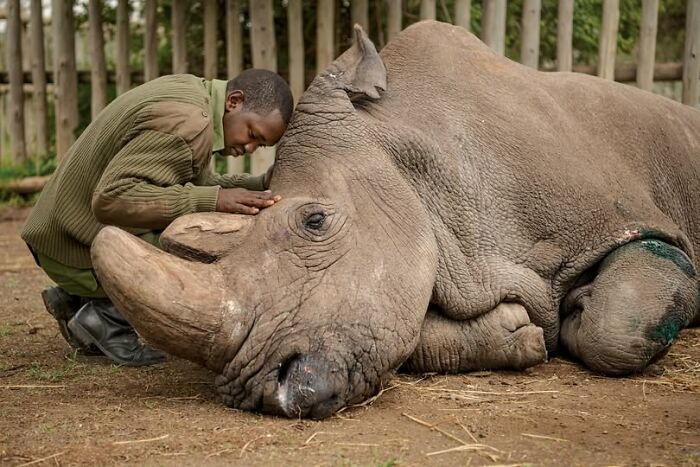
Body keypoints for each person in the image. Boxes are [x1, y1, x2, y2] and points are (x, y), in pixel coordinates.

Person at [21, 70, 294, 366]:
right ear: (234, 102)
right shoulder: (188, 124)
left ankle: (79, 298)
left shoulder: (194, 97)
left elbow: (192, 183)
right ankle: (104, 315)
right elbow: (112, 199)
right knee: (201, 246)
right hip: (69, 246)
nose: (249, 148)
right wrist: (213, 200)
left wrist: (259, 185)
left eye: (260, 146)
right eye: (253, 134)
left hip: (59, 233)